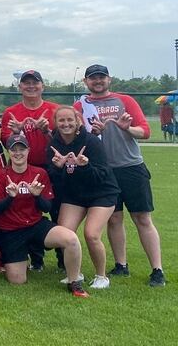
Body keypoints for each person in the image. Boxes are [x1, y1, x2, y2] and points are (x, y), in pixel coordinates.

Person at [75, 64, 165, 286]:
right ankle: (121, 265)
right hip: (103, 171)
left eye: (102, 77)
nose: (98, 81)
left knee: (142, 218)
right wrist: (91, 132)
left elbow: (145, 131)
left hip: (131, 167)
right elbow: (75, 136)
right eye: (93, 78)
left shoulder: (125, 100)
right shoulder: (80, 105)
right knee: (114, 218)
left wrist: (127, 128)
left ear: (109, 79)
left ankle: (157, 270)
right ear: (86, 82)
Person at [0, 134, 88, 297]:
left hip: (35, 225)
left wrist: (36, 195)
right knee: (17, 280)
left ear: (28, 150)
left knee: (71, 239)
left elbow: (47, 207)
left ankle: (74, 282)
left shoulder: (39, 173)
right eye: (14, 150)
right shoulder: (0, 175)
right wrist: (10, 197)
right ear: (8, 152)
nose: (18, 153)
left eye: (22, 149)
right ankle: (21, 255)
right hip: (11, 230)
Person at [48, 105, 119, 289]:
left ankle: (101, 276)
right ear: (55, 123)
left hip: (101, 193)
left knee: (91, 234)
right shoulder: (54, 145)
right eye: (61, 120)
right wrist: (58, 167)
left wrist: (85, 166)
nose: (66, 124)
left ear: (77, 121)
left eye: (69, 120)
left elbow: (101, 175)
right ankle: (74, 274)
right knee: (64, 233)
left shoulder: (91, 142)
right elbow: (55, 180)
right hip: (75, 195)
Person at [0, 70, 58, 271]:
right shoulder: (11, 112)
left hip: (51, 166)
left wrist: (46, 131)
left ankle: (62, 259)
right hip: (22, 168)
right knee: (23, 208)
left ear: (43, 86)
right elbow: (6, 142)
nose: (31, 86)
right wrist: (17, 132)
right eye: (26, 83)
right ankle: (35, 259)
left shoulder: (54, 109)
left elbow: (62, 142)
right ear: (20, 87)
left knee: (55, 209)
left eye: (35, 82)